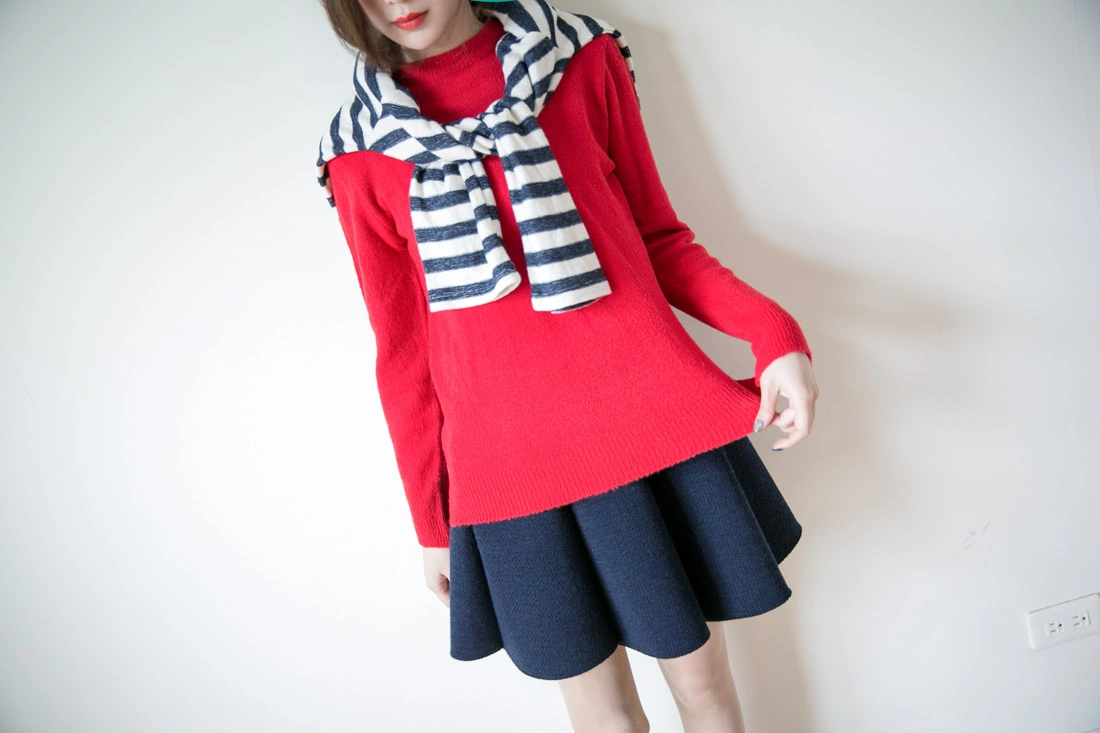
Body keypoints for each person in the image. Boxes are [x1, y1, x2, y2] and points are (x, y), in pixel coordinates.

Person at [314, 0, 820, 730]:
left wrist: (773, 333)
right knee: (603, 716)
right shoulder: (358, 151)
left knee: (702, 684)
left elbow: (657, 237)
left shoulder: (578, 60)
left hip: (650, 426)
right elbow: (404, 351)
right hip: (509, 469)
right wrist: (431, 521)